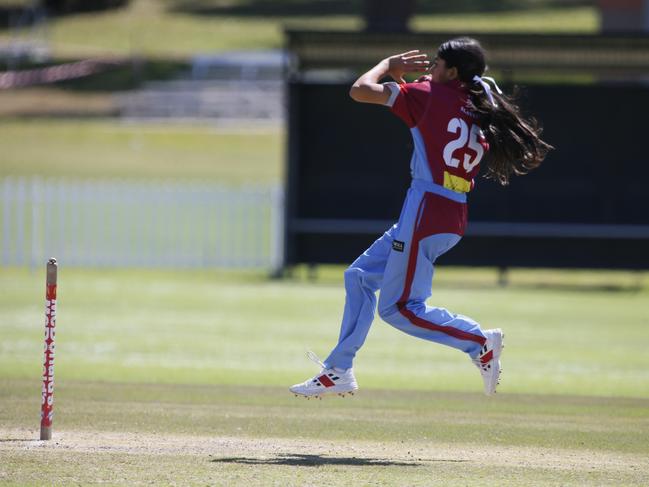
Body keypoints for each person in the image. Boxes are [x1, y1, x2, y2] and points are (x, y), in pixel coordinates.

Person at [289, 37, 552, 398]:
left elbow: (360, 90)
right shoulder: (474, 107)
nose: (431, 69)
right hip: (448, 210)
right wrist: (402, 80)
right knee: (360, 277)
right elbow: (435, 121)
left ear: (453, 71)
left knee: (398, 309)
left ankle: (478, 341)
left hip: (428, 207)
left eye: (438, 64)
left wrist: (386, 64)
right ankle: (339, 369)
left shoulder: (430, 94)